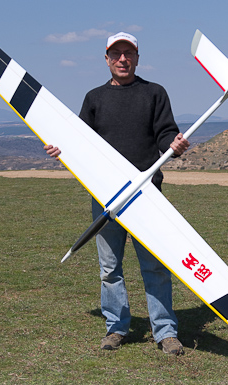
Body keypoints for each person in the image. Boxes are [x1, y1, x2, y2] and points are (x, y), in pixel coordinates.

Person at [44, 32, 189, 355]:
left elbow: (165, 133)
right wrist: (61, 150)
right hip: (105, 197)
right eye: (116, 54)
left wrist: (174, 146)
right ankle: (116, 327)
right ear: (107, 58)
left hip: (147, 196)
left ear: (137, 58)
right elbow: (79, 140)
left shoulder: (154, 93)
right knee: (109, 268)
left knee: (155, 265)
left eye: (129, 53)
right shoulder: (94, 98)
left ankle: (164, 331)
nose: (122, 59)